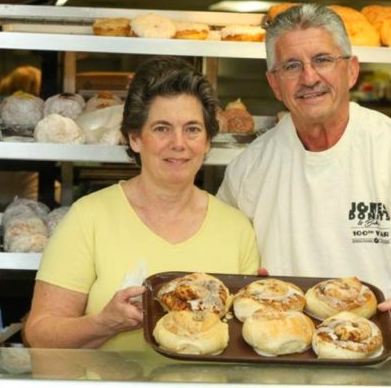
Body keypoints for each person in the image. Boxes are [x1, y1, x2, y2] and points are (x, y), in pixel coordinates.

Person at [217, 4, 391, 356]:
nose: (309, 78)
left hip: (386, 365)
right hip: (282, 366)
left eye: (322, 60)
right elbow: (225, 273)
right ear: (275, 84)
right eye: (292, 66)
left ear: (351, 70)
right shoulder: (248, 169)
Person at [24, 56, 260, 350]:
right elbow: (39, 332)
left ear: (208, 141)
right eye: (162, 128)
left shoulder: (236, 228)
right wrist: (105, 322)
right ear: (135, 138)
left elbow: (244, 341)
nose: (178, 143)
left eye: (192, 129)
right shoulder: (90, 217)